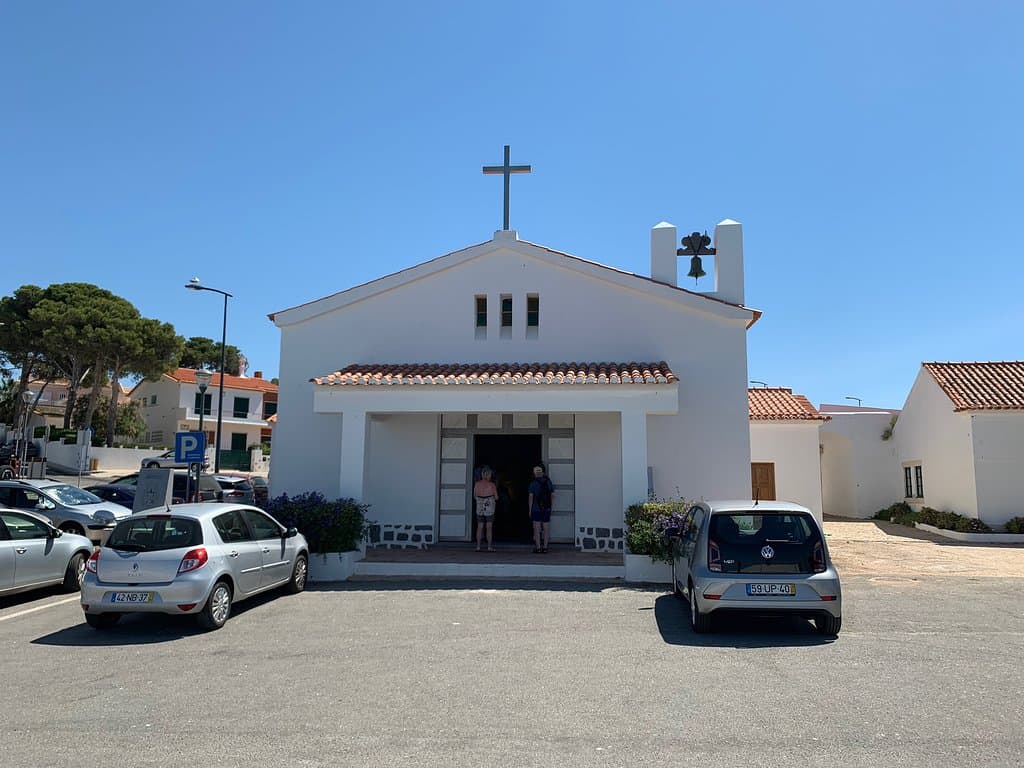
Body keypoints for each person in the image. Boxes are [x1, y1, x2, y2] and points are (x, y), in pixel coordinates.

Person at [527, 464, 554, 554]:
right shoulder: (548, 481)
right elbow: (552, 495)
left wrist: (530, 510)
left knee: (537, 528)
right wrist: (551, 507)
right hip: (546, 508)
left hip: (536, 508)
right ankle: (545, 547)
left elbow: (531, 497)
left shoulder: (533, 483)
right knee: (546, 528)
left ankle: (538, 547)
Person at [473, 466, 498, 552]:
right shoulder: (492, 485)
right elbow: (496, 497)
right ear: (489, 475)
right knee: (489, 527)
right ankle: (489, 547)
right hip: (489, 507)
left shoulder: (477, 484)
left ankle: (478, 546)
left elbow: (475, 496)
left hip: (479, 506)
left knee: (480, 526)